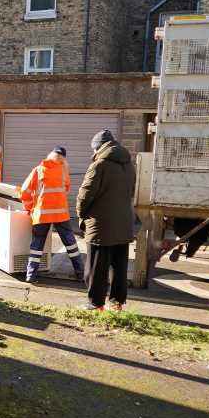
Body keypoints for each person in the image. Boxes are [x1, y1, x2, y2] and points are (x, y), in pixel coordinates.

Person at [77, 129, 136, 312]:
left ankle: (96, 304)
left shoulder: (99, 165)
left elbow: (85, 195)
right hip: (124, 223)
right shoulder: (129, 165)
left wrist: (81, 215)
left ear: (98, 147)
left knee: (97, 267)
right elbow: (131, 192)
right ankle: (117, 304)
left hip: (101, 225)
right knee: (119, 266)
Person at [20, 146, 84, 283]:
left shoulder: (38, 170)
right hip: (61, 214)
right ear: (63, 159)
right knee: (71, 244)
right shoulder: (63, 171)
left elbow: (24, 191)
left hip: (42, 213)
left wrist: (29, 207)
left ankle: (30, 275)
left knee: (37, 246)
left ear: (50, 155)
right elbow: (65, 190)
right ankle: (80, 272)